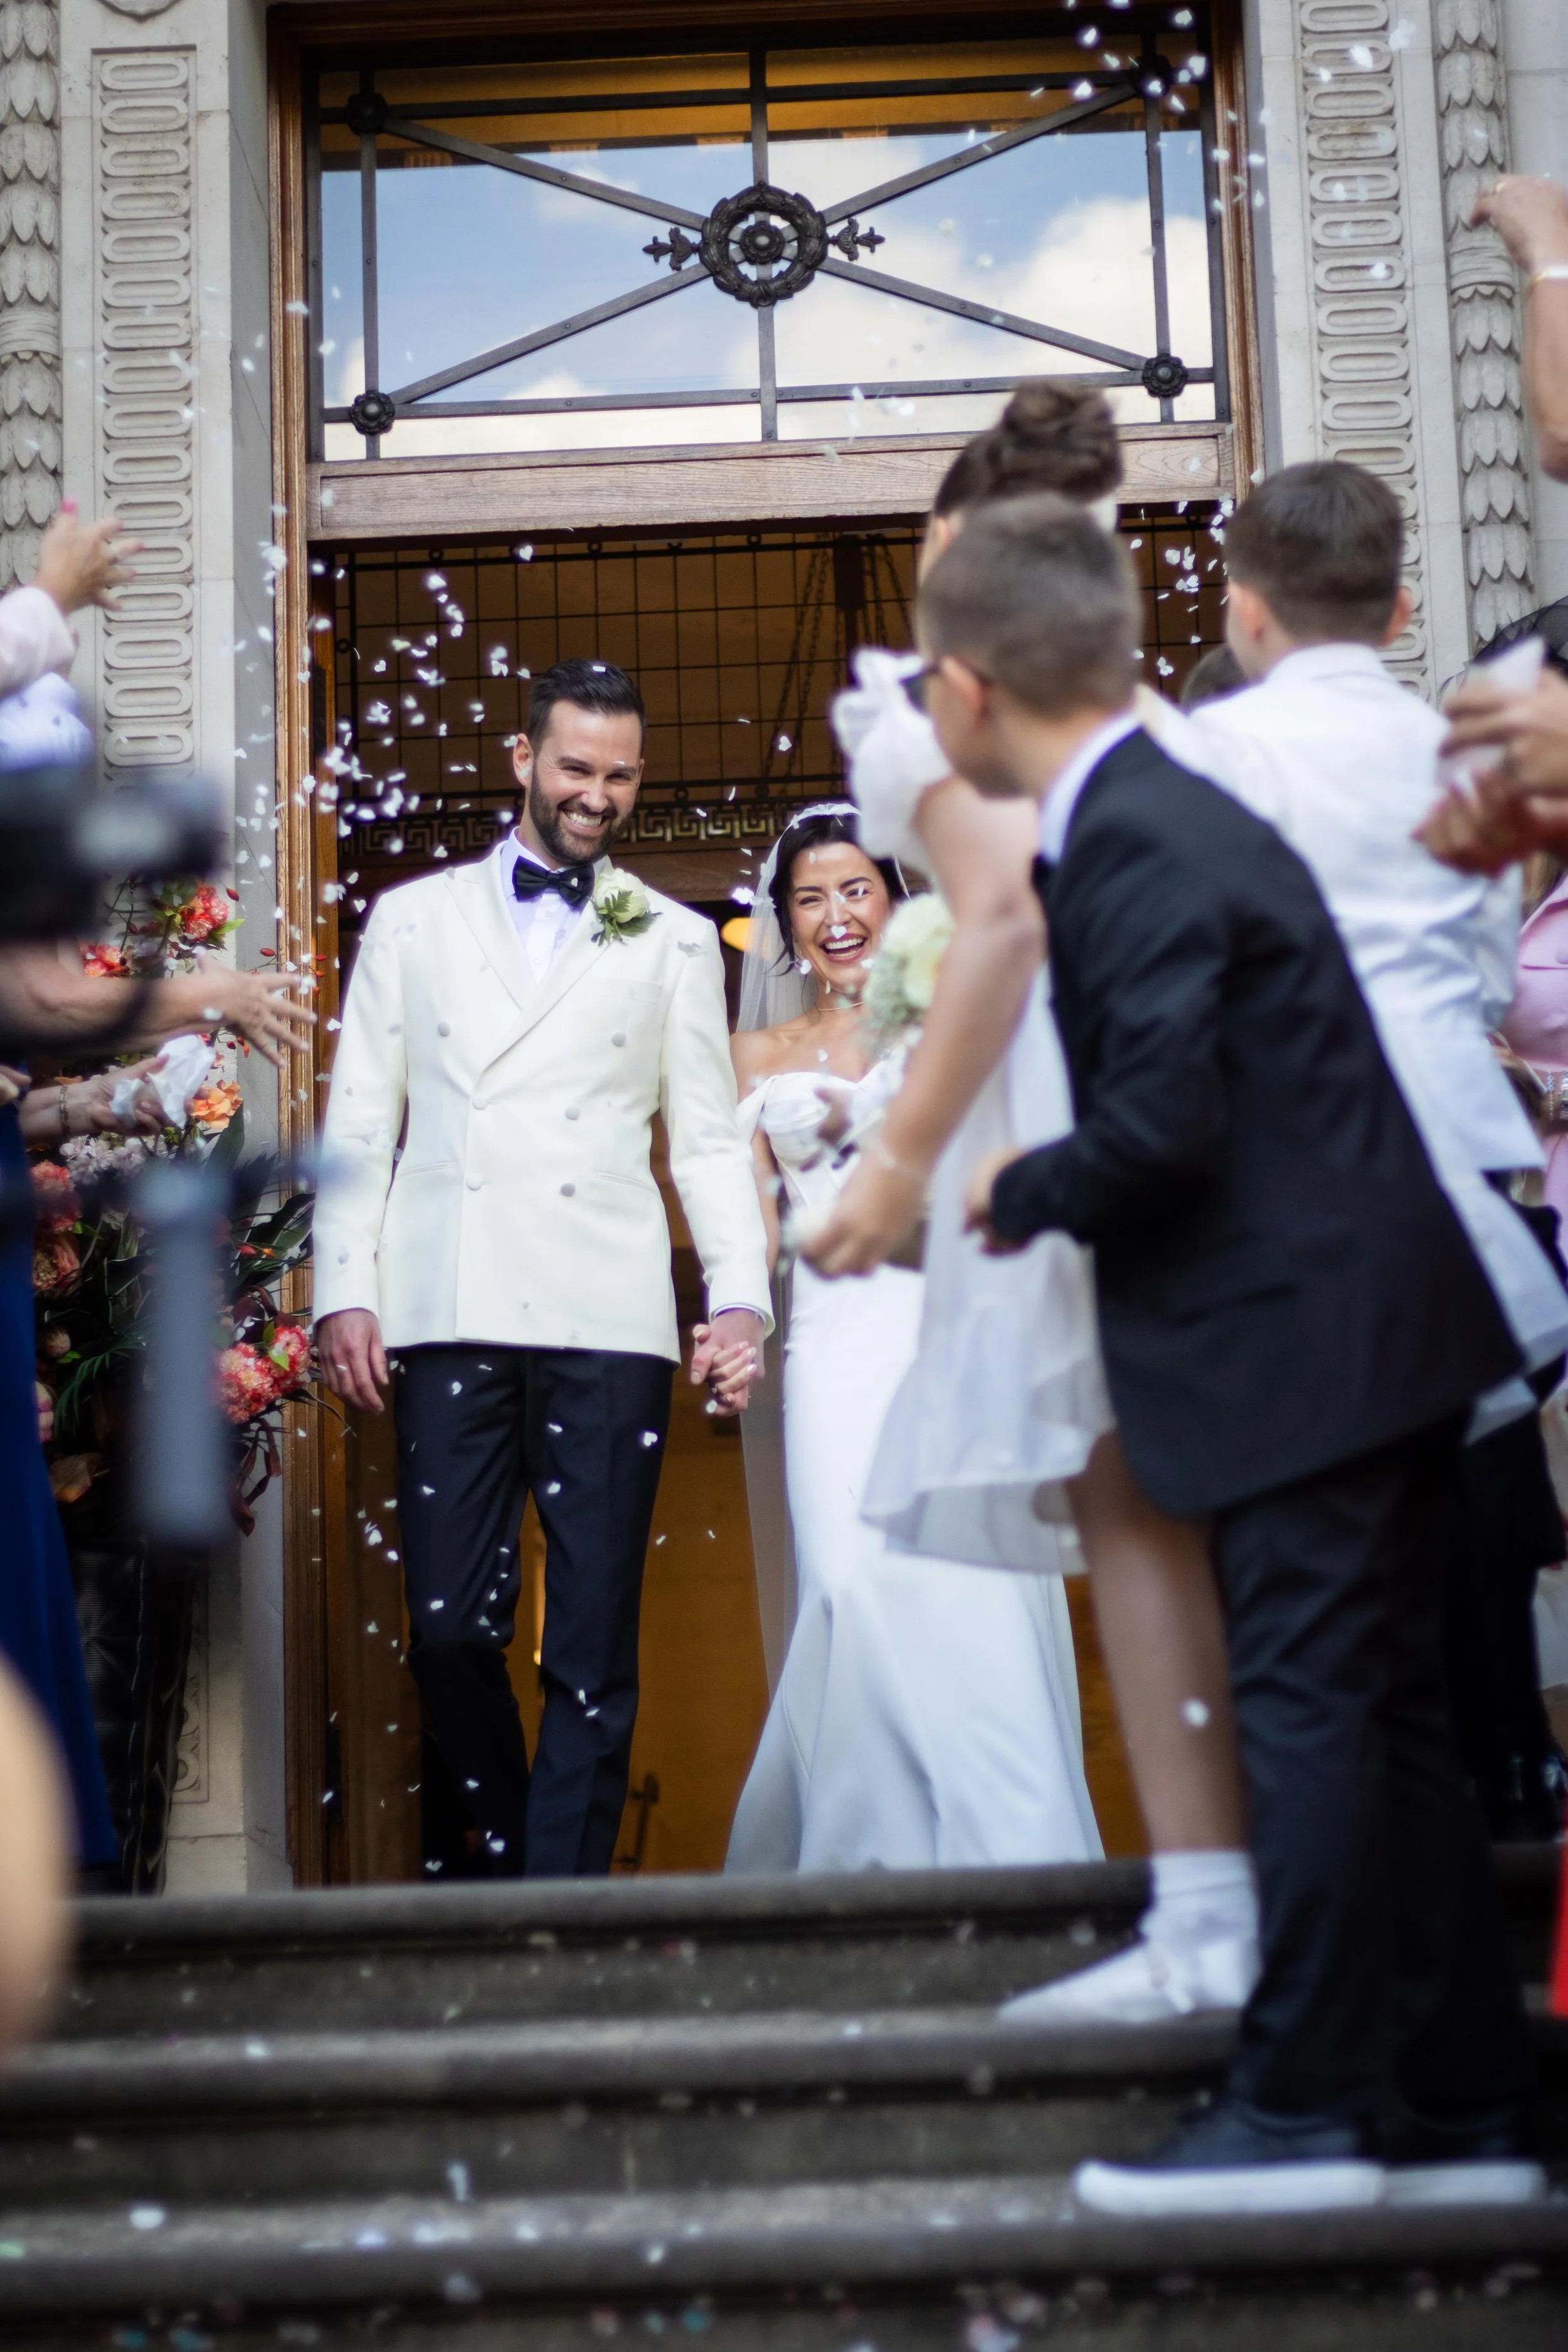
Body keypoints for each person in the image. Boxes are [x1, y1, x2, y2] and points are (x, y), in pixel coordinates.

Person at [942, 494, 1533, 2215]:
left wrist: (1008, 1180)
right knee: (1389, 1726)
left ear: (972, 691)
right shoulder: (1154, 805)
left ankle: (1299, 2110)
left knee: (1314, 1723)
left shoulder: (1133, 831)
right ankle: (1462, 2112)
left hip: (1310, 1344)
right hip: (1367, 1324)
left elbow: (1163, 1125)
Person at [811, 384, 1256, 2021]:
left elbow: (997, 919)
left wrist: (897, 1165)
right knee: (1147, 1502)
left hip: (1076, 1105)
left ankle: (1220, 1909)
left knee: (1140, 1503)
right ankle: (1215, 1900)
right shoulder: (1079, 697)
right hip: (1119, 1090)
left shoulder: (974, 698)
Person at [313, 657, 771, 1879]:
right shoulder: (409, 919)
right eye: (575, 768)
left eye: (619, 775)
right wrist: (344, 1288)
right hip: (447, 1304)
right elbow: (359, 1123)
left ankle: (558, 1910)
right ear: (524, 760)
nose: (596, 795)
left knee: (589, 1640)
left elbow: (710, 1137)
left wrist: (738, 1294)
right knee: (451, 1630)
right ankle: (517, 1853)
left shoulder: (671, 940)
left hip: (608, 1320)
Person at [724, 805, 1099, 1873]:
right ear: (784, 924)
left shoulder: (962, 1022)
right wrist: (736, 1323)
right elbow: (749, 1226)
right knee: (846, 1578)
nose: (836, 916)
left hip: (955, 1334)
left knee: (971, 1586)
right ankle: (862, 1864)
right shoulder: (755, 1051)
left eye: (855, 891)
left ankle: (1005, 1856)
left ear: (895, 901)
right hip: (834, 1354)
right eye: (810, 898)